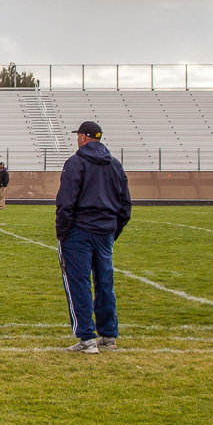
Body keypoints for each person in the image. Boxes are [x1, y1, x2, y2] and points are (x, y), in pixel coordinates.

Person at [56, 121, 131, 354]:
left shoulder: (76, 163)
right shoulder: (115, 165)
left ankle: (87, 337)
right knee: (105, 283)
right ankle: (109, 335)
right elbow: (125, 205)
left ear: (83, 137)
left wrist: (63, 231)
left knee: (78, 283)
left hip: (79, 232)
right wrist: (112, 230)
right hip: (105, 232)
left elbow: (66, 202)